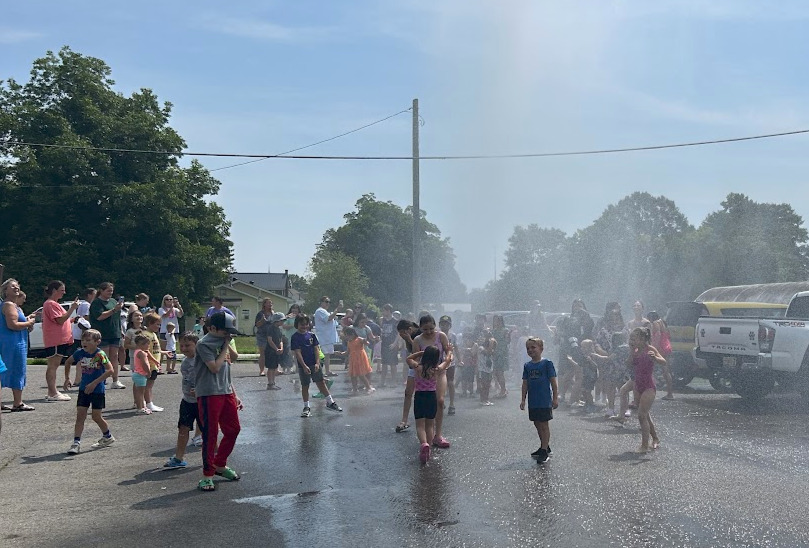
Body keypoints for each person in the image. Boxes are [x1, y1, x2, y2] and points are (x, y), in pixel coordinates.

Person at [194, 312, 243, 491]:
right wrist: (224, 347)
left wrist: (234, 393)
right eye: (225, 331)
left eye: (230, 332)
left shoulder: (224, 341)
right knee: (211, 434)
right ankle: (207, 475)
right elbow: (214, 367)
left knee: (233, 429)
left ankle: (219, 464)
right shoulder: (203, 344)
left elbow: (233, 359)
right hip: (209, 393)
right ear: (212, 328)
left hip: (226, 391)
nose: (228, 334)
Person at [64, 329, 115, 454]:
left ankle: (107, 436)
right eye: (83, 340)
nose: (84, 343)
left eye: (88, 340)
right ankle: (76, 443)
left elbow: (110, 370)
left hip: (97, 390)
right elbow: (68, 362)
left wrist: (94, 383)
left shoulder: (100, 354)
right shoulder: (80, 353)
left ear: (97, 342)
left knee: (96, 416)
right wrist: (67, 378)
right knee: (80, 416)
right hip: (83, 389)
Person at [406, 346, 453, 464]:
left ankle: (424, 443)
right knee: (430, 425)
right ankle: (429, 447)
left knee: (420, 425)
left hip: (419, 397)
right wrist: (449, 351)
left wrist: (420, 353)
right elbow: (447, 361)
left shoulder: (418, 367)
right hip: (431, 397)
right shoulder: (437, 370)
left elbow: (408, 359)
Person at [291, 313, 343, 417]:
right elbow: (297, 353)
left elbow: (316, 349)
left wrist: (317, 363)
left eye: (306, 324)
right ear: (297, 324)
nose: (304, 326)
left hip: (314, 364)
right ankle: (306, 407)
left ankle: (330, 402)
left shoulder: (312, 335)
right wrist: (304, 366)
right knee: (305, 385)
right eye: (302, 324)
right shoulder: (295, 337)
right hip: (303, 366)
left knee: (321, 382)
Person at [412, 315, 451, 448]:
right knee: (429, 403)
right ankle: (428, 437)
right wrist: (421, 369)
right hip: (425, 373)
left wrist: (445, 363)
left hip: (440, 371)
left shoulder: (441, 336)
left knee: (440, 401)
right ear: (420, 328)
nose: (428, 332)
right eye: (425, 329)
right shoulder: (417, 340)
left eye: (431, 328)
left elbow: (448, 353)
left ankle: (438, 435)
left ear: (435, 326)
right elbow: (415, 359)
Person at [623, 327, 664, 452]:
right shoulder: (635, 351)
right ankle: (655, 438)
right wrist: (631, 352)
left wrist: (655, 358)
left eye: (634, 339)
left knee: (641, 415)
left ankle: (644, 446)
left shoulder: (650, 349)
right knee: (644, 414)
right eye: (630, 339)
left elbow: (663, 361)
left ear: (642, 339)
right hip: (637, 385)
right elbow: (628, 364)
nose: (631, 341)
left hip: (648, 386)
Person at [165, 332, 201, 468]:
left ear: (196, 345)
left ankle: (215, 459)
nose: (184, 348)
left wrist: (200, 390)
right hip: (187, 401)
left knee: (209, 432)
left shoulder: (202, 360)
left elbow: (212, 378)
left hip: (202, 401)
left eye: (188, 345)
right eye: (182, 346)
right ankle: (178, 458)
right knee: (183, 429)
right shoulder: (185, 361)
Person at [520, 337, 558, 463]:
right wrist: (523, 399)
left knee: (544, 424)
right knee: (536, 423)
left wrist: (555, 398)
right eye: (528, 348)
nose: (530, 350)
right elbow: (525, 383)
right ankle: (544, 445)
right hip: (533, 401)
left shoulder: (547, 363)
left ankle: (544, 451)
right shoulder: (527, 366)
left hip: (544, 400)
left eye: (533, 347)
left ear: (541, 348)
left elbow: (553, 382)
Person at [1, 279, 36, 412]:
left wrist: (26, 324)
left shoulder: (15, 306)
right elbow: (12, 325)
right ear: (5, 291)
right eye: (12, 286)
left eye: (17, 286)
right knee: (16, 370)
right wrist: (29, 323)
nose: (16, 288)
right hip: (12, 343)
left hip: (15, 341)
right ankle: (18, 403)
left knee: (8, 371)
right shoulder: (9, 305)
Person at [42, 281, 79, 401]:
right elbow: (60, 320)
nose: (64, 292)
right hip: (55, 339)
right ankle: (53, 393)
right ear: (54, 291)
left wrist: (72, 320)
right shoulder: (50, 304)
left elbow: (62, 320)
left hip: (59, 339)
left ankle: (52, 392)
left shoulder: (54, 304)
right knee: (53, 365)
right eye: (62, 290)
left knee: (54, 365)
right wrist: (72, 308)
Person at [88, 282, 125, 389]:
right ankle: (99, 380)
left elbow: (117, 318)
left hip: (114, 333)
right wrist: (114, 310)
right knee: (103, 357)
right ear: (101, 290)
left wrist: (121, 330)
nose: (110, 293)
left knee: (114, 356)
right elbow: (99, 316)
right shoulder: (96, 303)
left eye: (111, 291)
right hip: (102, 334)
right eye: (108, 291)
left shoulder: (113, 301)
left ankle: (115, 380)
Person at [395, 320, 420, 432]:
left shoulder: (420, 333)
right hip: (413, 366)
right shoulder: (407, 336)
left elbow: (421, 351)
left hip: (424, 366)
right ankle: (404, 420)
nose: (401, 335)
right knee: (408, 392)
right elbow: (411, 351)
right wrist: (408, 340)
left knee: (425, 393)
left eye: (402, 332)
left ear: (409, 329)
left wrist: (409, 339)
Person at [648, 311, 674, 400]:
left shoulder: (655, 323)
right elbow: (668, 336)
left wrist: (654, 347)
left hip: (661, 348)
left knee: (650, 367)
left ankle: (650, 390)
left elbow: (658, 335)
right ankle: (670, 393)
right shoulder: (663, 323)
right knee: (666, 370)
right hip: (667, 346)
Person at [313, 296, 342, 377]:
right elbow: (328, 318)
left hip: (327, 337)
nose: (328, 303)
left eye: (329, 302)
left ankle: (327, 371)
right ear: (321, 302)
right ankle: (320, 371)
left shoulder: (325, 311)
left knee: (327, 355)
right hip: (324, 337)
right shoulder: (320, 311)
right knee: (324, 355)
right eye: (326, 302)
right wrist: (337, 310)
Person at [343, 326, 376, 394]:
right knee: (353, 375)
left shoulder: (359, 339)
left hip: (360, 358)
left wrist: (365, 341)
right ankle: (355, 388)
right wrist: (340, 353)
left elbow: (366, 343)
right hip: (353, 359)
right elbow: (347, 352)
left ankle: (368, 387)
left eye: (347, 335)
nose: (346, 337)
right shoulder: (349, 342)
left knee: (361, 374)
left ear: (352, 334)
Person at [142, 312, 165, 412]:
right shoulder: (146, 335)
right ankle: (148, 403)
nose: (159, 327)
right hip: (150, 364)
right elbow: (146, 351)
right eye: (157, 324)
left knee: (150, 385)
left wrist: (164, 352)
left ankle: (149, 402)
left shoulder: (153, 334)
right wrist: (154, 361)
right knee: (148, 385)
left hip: (154, 364)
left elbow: (155, 349)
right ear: (150, 323)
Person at [129, 334, 157, 414]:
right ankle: (140, 408)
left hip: (137, 374)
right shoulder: (142, 353)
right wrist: (148, 372)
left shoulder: (137, 351)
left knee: (139, 392)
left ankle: (142, 406)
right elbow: (145, 364)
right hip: (140, 375)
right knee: (140, 393)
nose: (148, 345)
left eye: (148, 343)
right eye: (145, 344)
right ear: (139, 344)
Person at [438, 315, 457, 415]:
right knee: (439, 383)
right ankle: (441, 400)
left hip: (450, 362)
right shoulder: (436, 335)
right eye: (442, 324)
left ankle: (452, 404)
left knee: (450, 382)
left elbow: (456, 347)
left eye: (446, 324)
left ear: (450, 325)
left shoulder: (453, 336)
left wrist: (460, 359)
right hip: (439, 362)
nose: (444, 326)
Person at [378, 305, 399, 388]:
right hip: (384, 344)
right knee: (384, 363)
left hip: (392, 344)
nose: (383, 312)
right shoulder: (382, 320)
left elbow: (398, 333)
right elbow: (381, 330)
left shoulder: (395, 321)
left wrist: (395, 343)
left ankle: (394, 381)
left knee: (393, 364)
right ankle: (382, 381)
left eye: (384, 311)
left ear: (388, 310)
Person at [254, 298, 275, 377]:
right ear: (264, 304)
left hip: (271, 335)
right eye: (268, 303)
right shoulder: (260, 314)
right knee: (262, 353)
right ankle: (262, 370)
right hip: (262, 335)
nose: (270, 304)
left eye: (271, 303)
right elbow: (257, 325)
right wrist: (262, 320)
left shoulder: (273, 313)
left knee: (273, 353)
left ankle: (274, 369)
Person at [491, 314, 511, 398]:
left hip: (502, 354)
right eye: (495, 320)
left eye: (498, 320)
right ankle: (502, 389)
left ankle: (503, 390)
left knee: (500, 372)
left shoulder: (505, 330)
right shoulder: (493, 331)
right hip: (495, 353)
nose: (496, 322)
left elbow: (508, 341)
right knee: (496, 372)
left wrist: (508, 336)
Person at [265, 312, 286, 390]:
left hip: (276, 351)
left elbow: (280, 340)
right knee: (271, 367)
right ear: (276, 321)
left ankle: (273, 382)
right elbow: (270, 340)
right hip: (270, 351)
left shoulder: (279, 330)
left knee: (274, 367)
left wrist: (281, 348)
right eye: (281, 320)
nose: (283, 322)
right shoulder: (271, 328)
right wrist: (276, 348)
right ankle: (270, 383)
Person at [281, 304, 301, 375]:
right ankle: (289, 368)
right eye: (293, 308)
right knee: (290, 353)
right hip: (289, 337)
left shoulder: (300, 317)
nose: (294, 310)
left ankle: (298, 368)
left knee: (297, 354)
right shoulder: (288, 317)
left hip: (299, 337)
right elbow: (284, 326)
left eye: (296, 308)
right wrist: (293, 325)